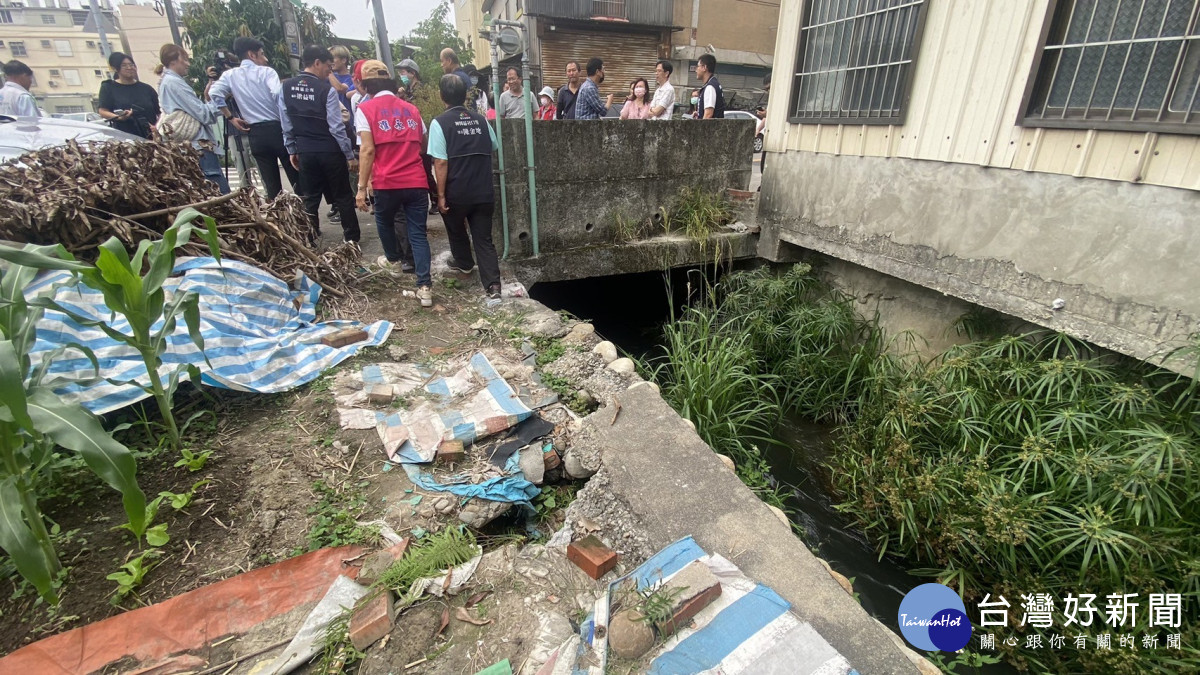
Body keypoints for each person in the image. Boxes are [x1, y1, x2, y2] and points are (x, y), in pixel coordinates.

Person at [354, 60, 434, 308]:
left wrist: (360, 188)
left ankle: (393, 260)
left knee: (384, 220)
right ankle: (425, 288)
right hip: (416, 181)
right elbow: (422, 143)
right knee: (418, 234)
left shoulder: (365, 110)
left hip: (387, 182)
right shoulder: (411, 110)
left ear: (367, 86)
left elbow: (367, 150)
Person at [430, 74, 502, 300]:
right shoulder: (481, 120)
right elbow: (494, 146)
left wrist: (440, 196)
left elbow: (440, 162)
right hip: (483, 190)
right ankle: (493, 287)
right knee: (483, 238)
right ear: (465, 95)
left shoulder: (439, 123)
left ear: (442, 96)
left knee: (454, 225)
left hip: (457, 191)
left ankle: (464, 262)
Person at [278, 45, 358, 244]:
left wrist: (292, 150)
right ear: (316, 63)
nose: (329, 72)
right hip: (330, 150)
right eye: (328, 67)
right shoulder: (326, 90)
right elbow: (336, 126)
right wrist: (349, 154)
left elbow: (286, 123)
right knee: (343, 195)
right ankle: (351, 238)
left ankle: (310, 238)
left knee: (310, 197)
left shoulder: (286, 88)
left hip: (306, 150)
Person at [208, 37, 299, 200]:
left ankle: (280, 221)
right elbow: (277, 93)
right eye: (262, 54)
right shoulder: (267, 72)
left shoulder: (230, 75)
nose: (265, 59)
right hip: (276, 129)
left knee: (272, 187)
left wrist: (231, 118)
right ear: (252, 54)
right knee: (297, 180)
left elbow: (214, 94)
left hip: (254, 132)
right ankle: (308, 219)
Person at [156, 45, 230, 194]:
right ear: (173, 61)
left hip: (188, 147)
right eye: (184, 59)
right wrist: (222, 99)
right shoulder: (173, 83)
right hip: (198, 146)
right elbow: (203, 114)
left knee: (204, 192)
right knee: (219, 192)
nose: (188, 64)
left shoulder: (167, 81)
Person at [99, 52, 159, 139]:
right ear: (115, 68)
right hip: (125, 138)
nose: (130, 68)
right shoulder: (108, 87)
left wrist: (157, 126)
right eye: (124, 65)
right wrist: (119, 117)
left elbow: (160, 111)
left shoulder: (146, 88)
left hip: (151, 137)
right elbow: (103, 111)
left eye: (132, 65)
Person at [695, 54, 725, 119]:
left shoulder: (710, 87)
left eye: (698, 66)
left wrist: (700, 128)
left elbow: (708, 114)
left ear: (704, 67)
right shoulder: (713, 83)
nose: (696, 70)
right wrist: (699, 113)